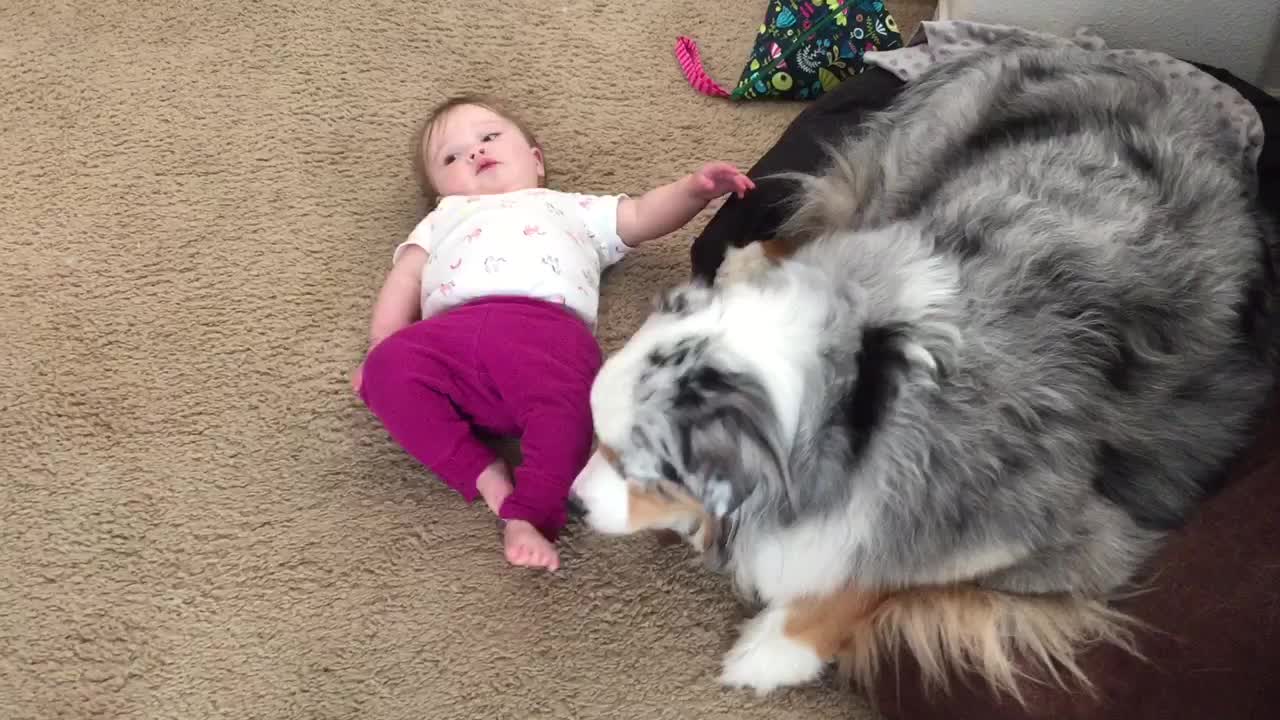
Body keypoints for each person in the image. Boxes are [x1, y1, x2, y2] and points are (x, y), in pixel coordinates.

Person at [351, 94, 754, 571]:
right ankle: (483, 474)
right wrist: (382, 344)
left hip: (545, 337)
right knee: (385, 371)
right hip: (452, 341)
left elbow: (642, 216)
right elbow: (405, 279)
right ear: (441, 192)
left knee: (574, 410)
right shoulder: (442, 220)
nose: (475, 153)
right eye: (452, 157)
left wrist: (693, 190)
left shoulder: (571, 208)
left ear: (536, 160)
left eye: (488, 137)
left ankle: (529, 515)